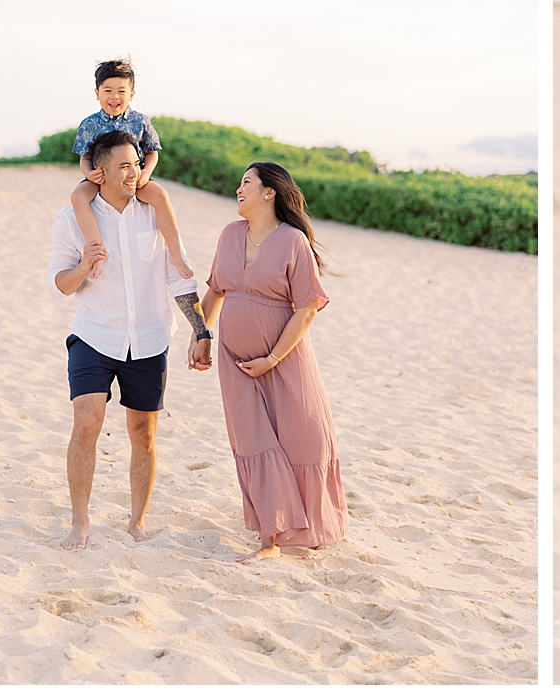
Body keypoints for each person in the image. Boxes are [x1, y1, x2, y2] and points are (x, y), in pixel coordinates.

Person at [47, 130, 215, 551]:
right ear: (98, 173)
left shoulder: (154, 213)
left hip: (149, 339)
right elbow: (62, 284)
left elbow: (179, 276)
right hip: (94, 335)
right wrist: (85, 264)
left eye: (137, 163)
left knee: (144, 434)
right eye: (124, 166)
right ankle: (79, 523)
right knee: (86, 424)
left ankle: (136, 522)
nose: (134, 173)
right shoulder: (72, 220)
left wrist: (201, 331)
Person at [196, 161, 348, 561]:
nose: (238, 189)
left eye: (246, 182)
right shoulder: (230, 235)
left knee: (299, 436)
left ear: (270, 192)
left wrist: (273, 357)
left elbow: (307, 308)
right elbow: (215, 291)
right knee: (253, 441)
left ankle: (301, 528)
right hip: (236, 361)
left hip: (285, 359)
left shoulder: (293, 241)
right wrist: (202, 334)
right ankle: (270, 539)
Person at [70, 57, 192, 280]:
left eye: (121, 91)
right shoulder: (89, 124)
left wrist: (145, 174)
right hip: (102, 179)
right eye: (107, 90)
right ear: (97, 93)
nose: (114, 97)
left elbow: (152, 153)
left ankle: (176, 254)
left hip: (133, 180)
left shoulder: (141, 121)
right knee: (78, 196)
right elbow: (84, 158)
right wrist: (89, 174)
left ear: (132, 94)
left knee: (160, 195)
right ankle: (97, 255)